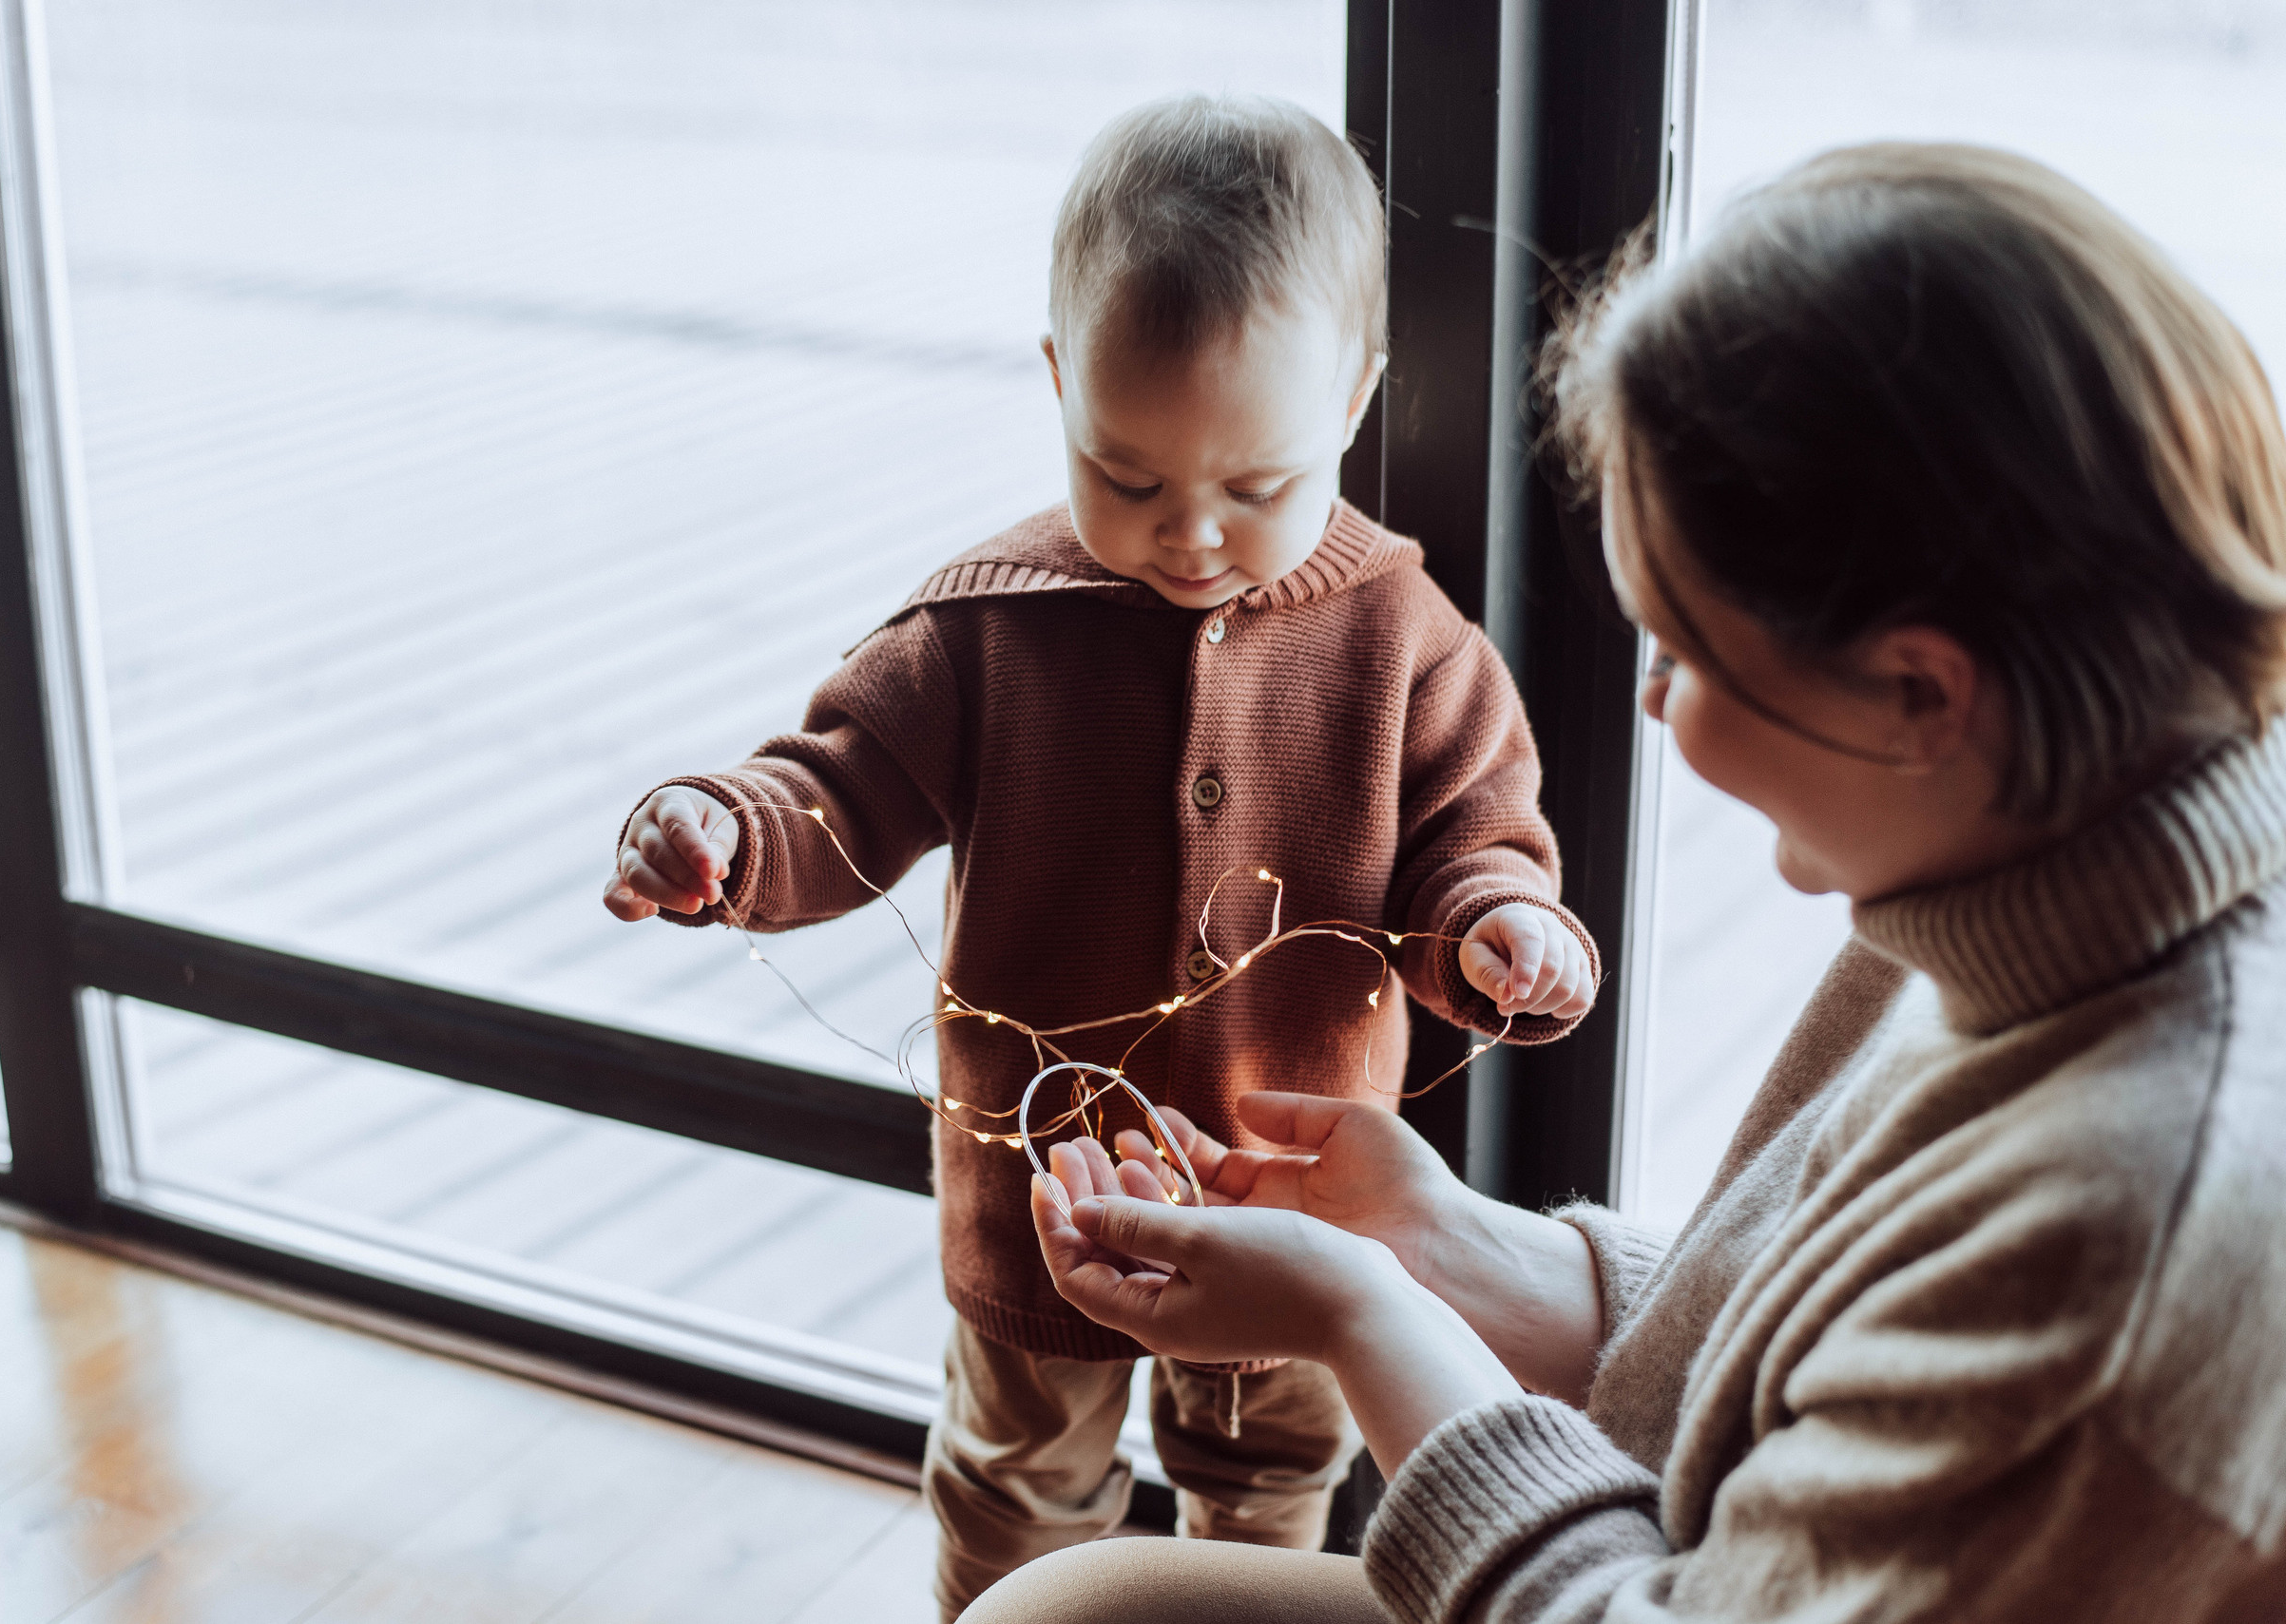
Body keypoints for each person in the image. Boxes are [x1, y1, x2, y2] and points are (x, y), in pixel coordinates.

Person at [978, 142, 2286, 1622]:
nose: (1654, 707)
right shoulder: (2028, 879)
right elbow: (1839, 1335)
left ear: (1923, 693)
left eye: (1685, 651)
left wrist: (1361, 1314)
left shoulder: (2137, 1233)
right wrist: (1447, 1242)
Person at [602, 95, 1600, 1617]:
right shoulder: (988, 627)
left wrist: (1499, 925)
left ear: (1354, 398)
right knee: (1019, 1480)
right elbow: (842, 786)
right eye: (1125, 475)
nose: (1191, 532)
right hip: (1039, 1189)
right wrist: (726, 831)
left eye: (1255, 488)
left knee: (1268, 1484)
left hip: (1286, 1193)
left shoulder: (1406, 641)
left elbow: (1475, 837)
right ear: (1060, 382)